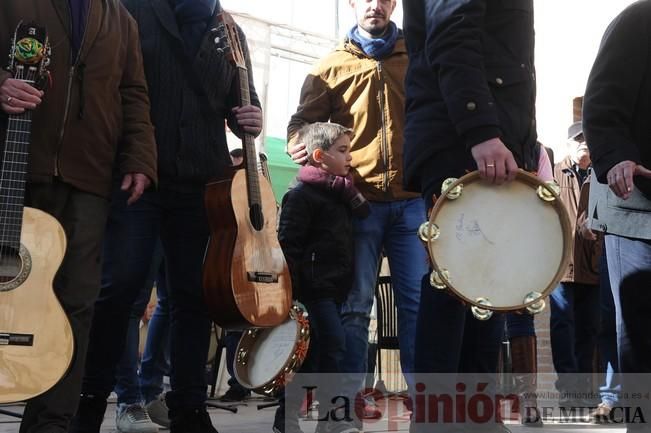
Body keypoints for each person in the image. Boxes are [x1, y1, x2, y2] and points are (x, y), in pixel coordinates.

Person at [69, 2, 263, 433]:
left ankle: (189, 407)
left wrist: (251, 114)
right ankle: (90, 398)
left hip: (204, 184)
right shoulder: (133, 10)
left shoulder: (228, 30)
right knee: (120, 288)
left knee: (194, 298)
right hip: (140, 174)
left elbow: (241, 100)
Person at [0, 2, 156, 433]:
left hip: (88, 175)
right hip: (11, 164)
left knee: (74, 303)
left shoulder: (122, 19)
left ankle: (52, 423)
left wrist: (139, 157)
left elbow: (133, 93)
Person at [287, 0, 427, 421]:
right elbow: (300, 125)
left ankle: (423, 402)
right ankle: (343, 405)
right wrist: (301, 140)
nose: (374, 5)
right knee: (354, 305)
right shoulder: (329, 67)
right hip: (357, 204)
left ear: (394, 4)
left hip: (412, 200)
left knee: (417, 304)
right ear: (351, 3)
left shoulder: (417, 55)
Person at [402, 1, 537, 431]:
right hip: (462, 136)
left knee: (485, 283)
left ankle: (477, 418)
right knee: (452, 281)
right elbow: (452, 31)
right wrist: (482, 130)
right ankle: (439, 420)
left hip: (476, 135)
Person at [583, 2, 651, 431]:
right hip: (635, 208)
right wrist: (619, 158)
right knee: (640, 337)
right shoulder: (640, 19)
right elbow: (601, 104)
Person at [278, 122, 365, 433]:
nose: (350, 157)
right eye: (342, 151)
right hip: (313, 290)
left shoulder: (340, 194)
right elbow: (288, 244)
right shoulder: (301, 195)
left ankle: (287, 420)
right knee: (334, 345)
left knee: (312, 356)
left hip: (334, 287)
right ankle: (330, 419)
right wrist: (294, 293)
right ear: (318, 155)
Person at [549, 122, 601, 408]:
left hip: (592, 264)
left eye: (587, 139)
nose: (583, 144)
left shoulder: (601, 175)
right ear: (568, 145)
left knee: (589, 327)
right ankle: (568, 390)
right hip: (561, 262)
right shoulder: (555, 174)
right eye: (577, 140)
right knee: (562, 324)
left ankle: (584, 390)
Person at [112, 245, 170, 433]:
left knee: (176, 301)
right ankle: (128, 401)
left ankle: (151, 395)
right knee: (133, 301)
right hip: (142, 217)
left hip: (182, 216)